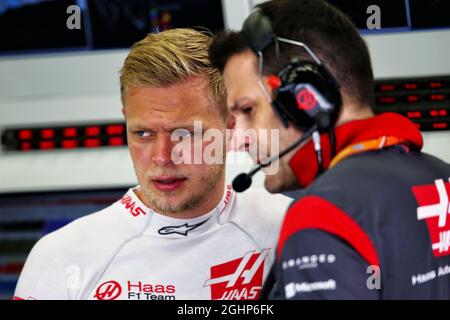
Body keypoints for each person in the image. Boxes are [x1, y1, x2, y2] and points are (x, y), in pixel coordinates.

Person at [14, 28, 291, 300]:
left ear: (231, 126)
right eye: (143, 133)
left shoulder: (289, 226)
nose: (162, 156)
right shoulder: (59, 258)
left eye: (186, 134)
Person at [209, 0, 450, 299]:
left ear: (307, 98)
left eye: (248, 109)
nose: (239, 138)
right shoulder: (441, 175)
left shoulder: (323, 213)